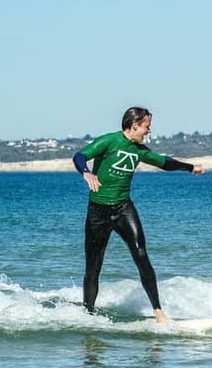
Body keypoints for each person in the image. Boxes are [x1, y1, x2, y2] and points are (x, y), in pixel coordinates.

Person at [73, 106, 204, 321]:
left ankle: (158, 312)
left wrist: (189, 168)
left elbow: (165, 163)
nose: (149, 131)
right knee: (93, 266)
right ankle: (88, 313)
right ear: (135, 126)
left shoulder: (139, 150)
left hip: (123, 208)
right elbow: (80, 156)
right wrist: (86, 172)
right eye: (147, 126)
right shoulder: (109, 141)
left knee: (141, 254)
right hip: (98, 211)